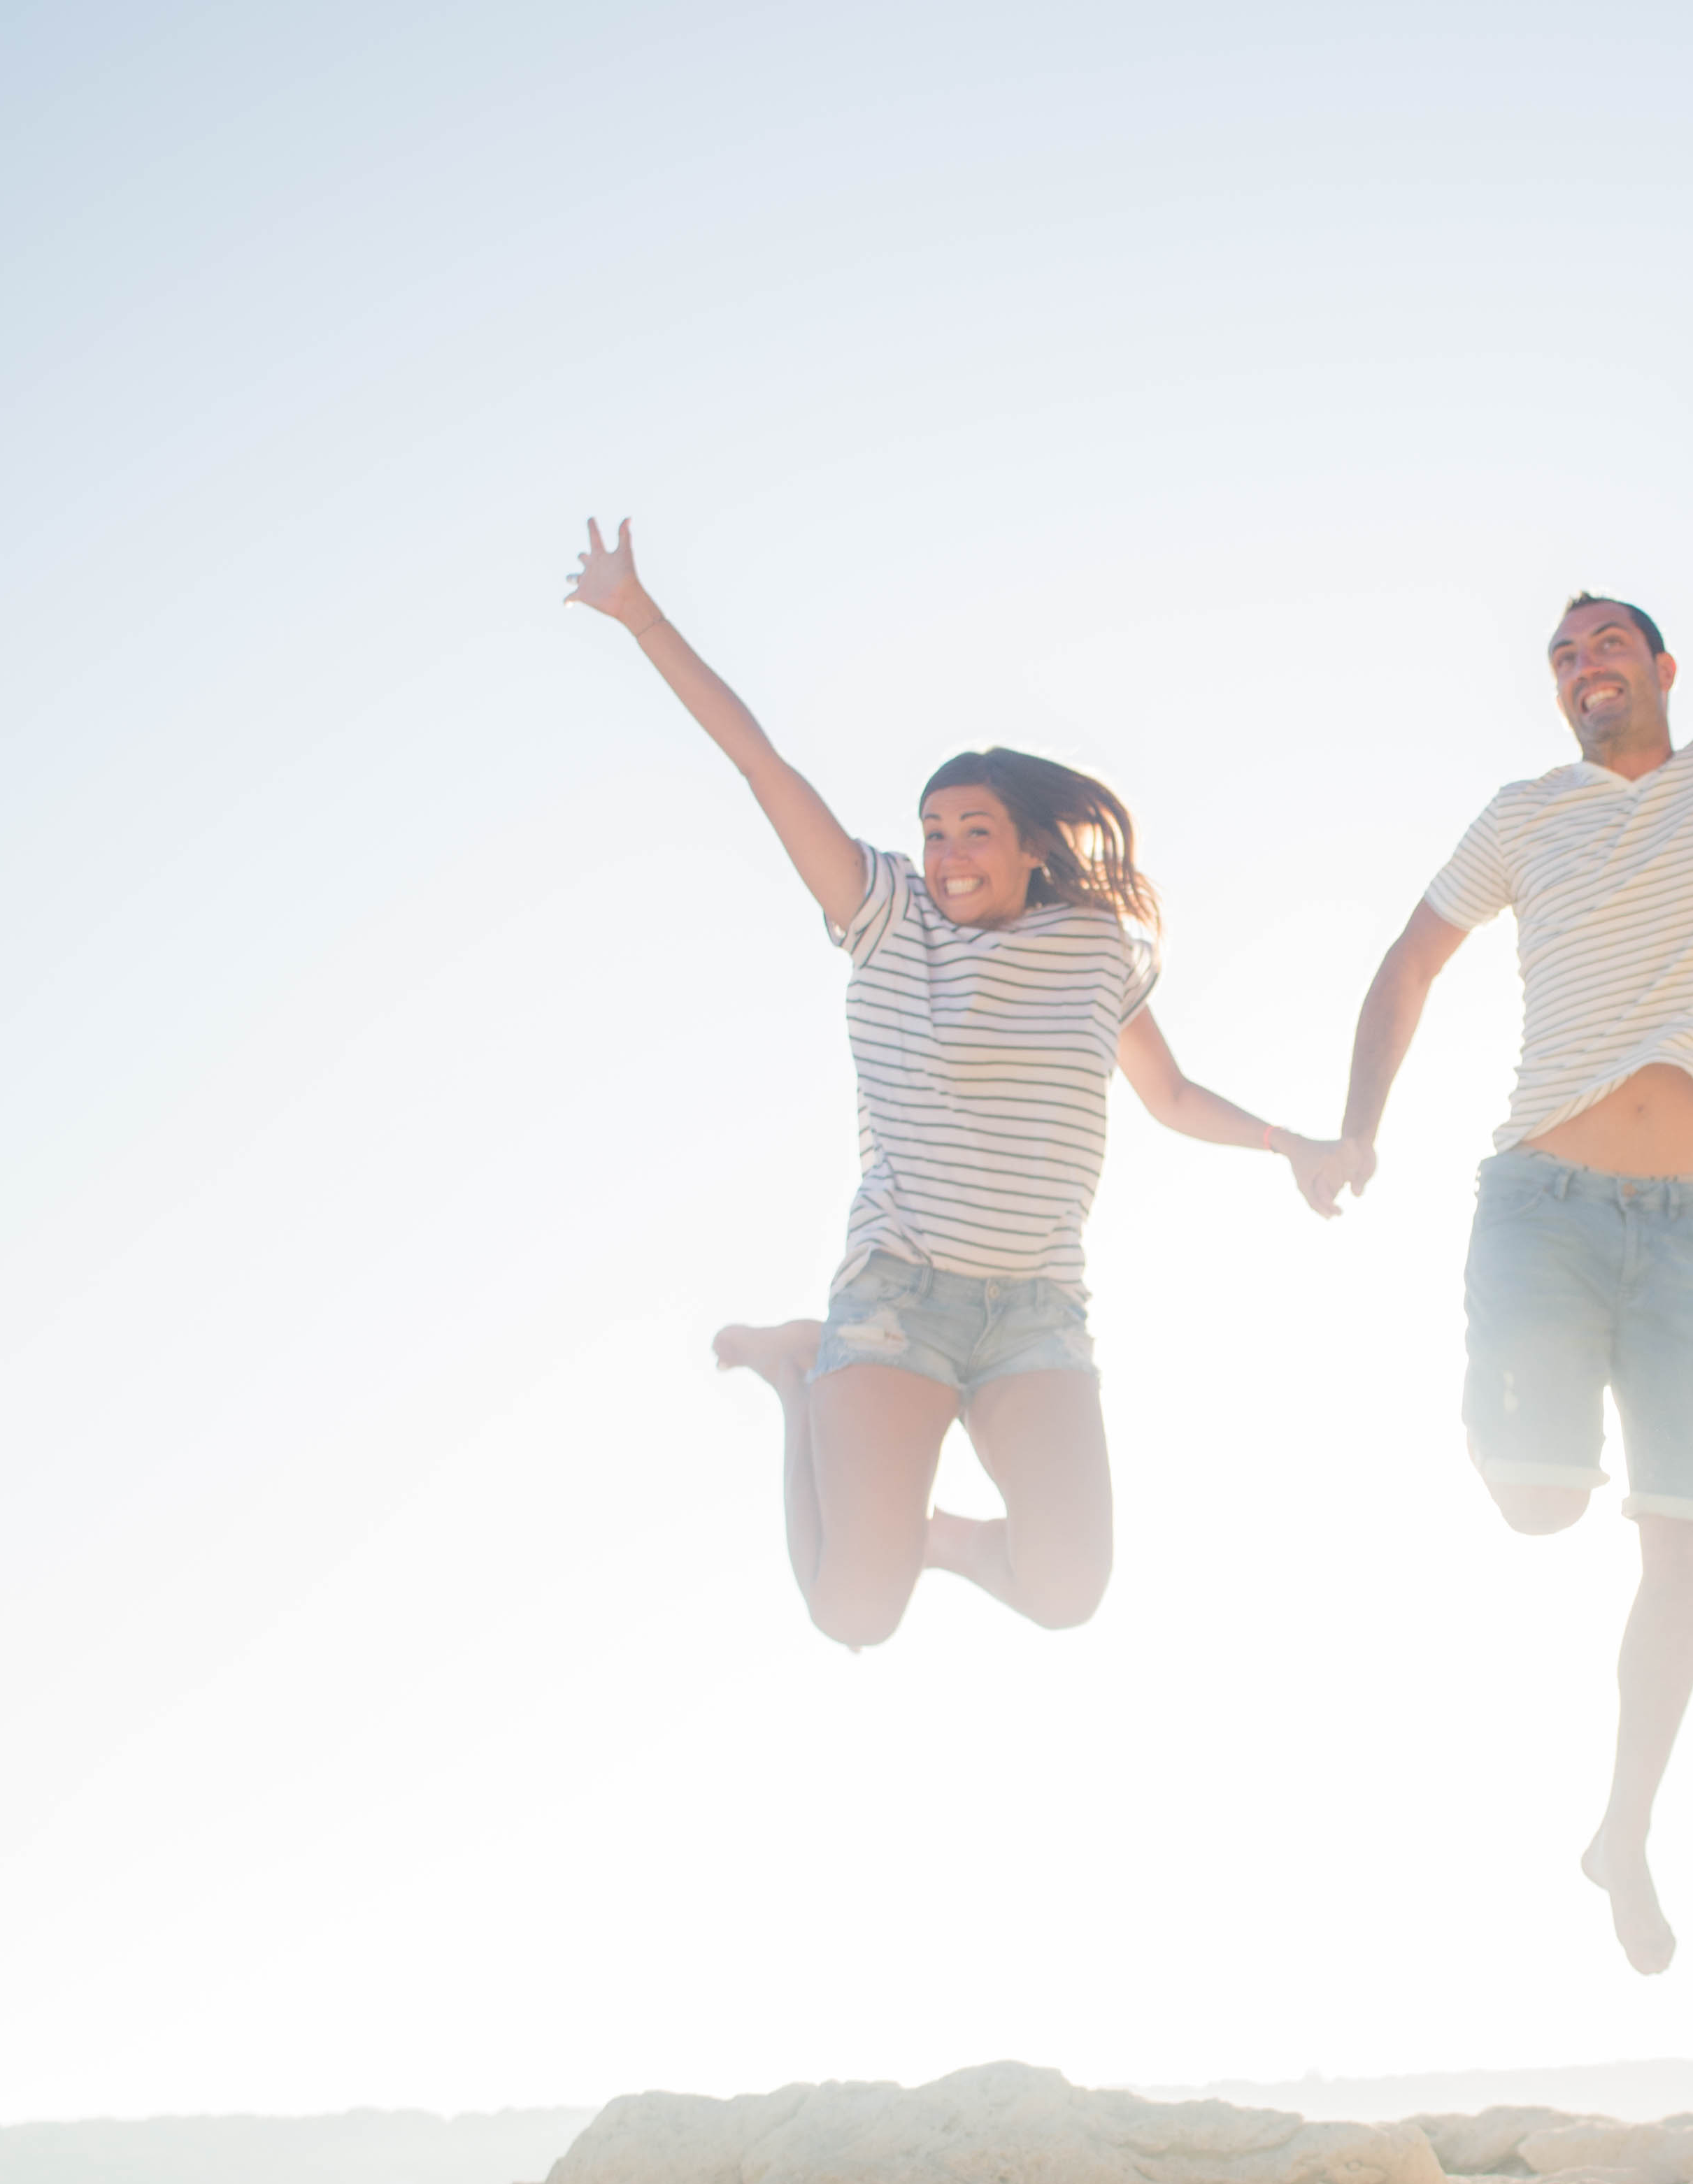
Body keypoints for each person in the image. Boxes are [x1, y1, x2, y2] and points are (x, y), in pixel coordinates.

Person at [1302, 303, 1693, 1973]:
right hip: (1538, 1208)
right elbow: (1407, 960)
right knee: (1539, 1506)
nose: (1581, 660)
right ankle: (1533, 1437)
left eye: (1606, 638)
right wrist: (1353, 1131)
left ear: (1664, 668)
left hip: (1691, 1242)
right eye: (1560, 650)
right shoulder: (1525, 815)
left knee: (1684, 1548)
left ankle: (1622, 1827)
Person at [567, 519, 1342, 1648]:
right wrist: (642, 615)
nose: (946, 854)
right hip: (899, 1296)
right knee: (855, 1614)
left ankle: (934, 1535)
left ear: (1031, 844)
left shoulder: (1092, 949)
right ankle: (800, 1375)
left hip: (1035, 1305)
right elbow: (761, 765)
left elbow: (1169, 1096)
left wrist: (1291, 1144)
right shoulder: (884, 916)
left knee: (1068, 1587)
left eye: (973, 830)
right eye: (932, 831)